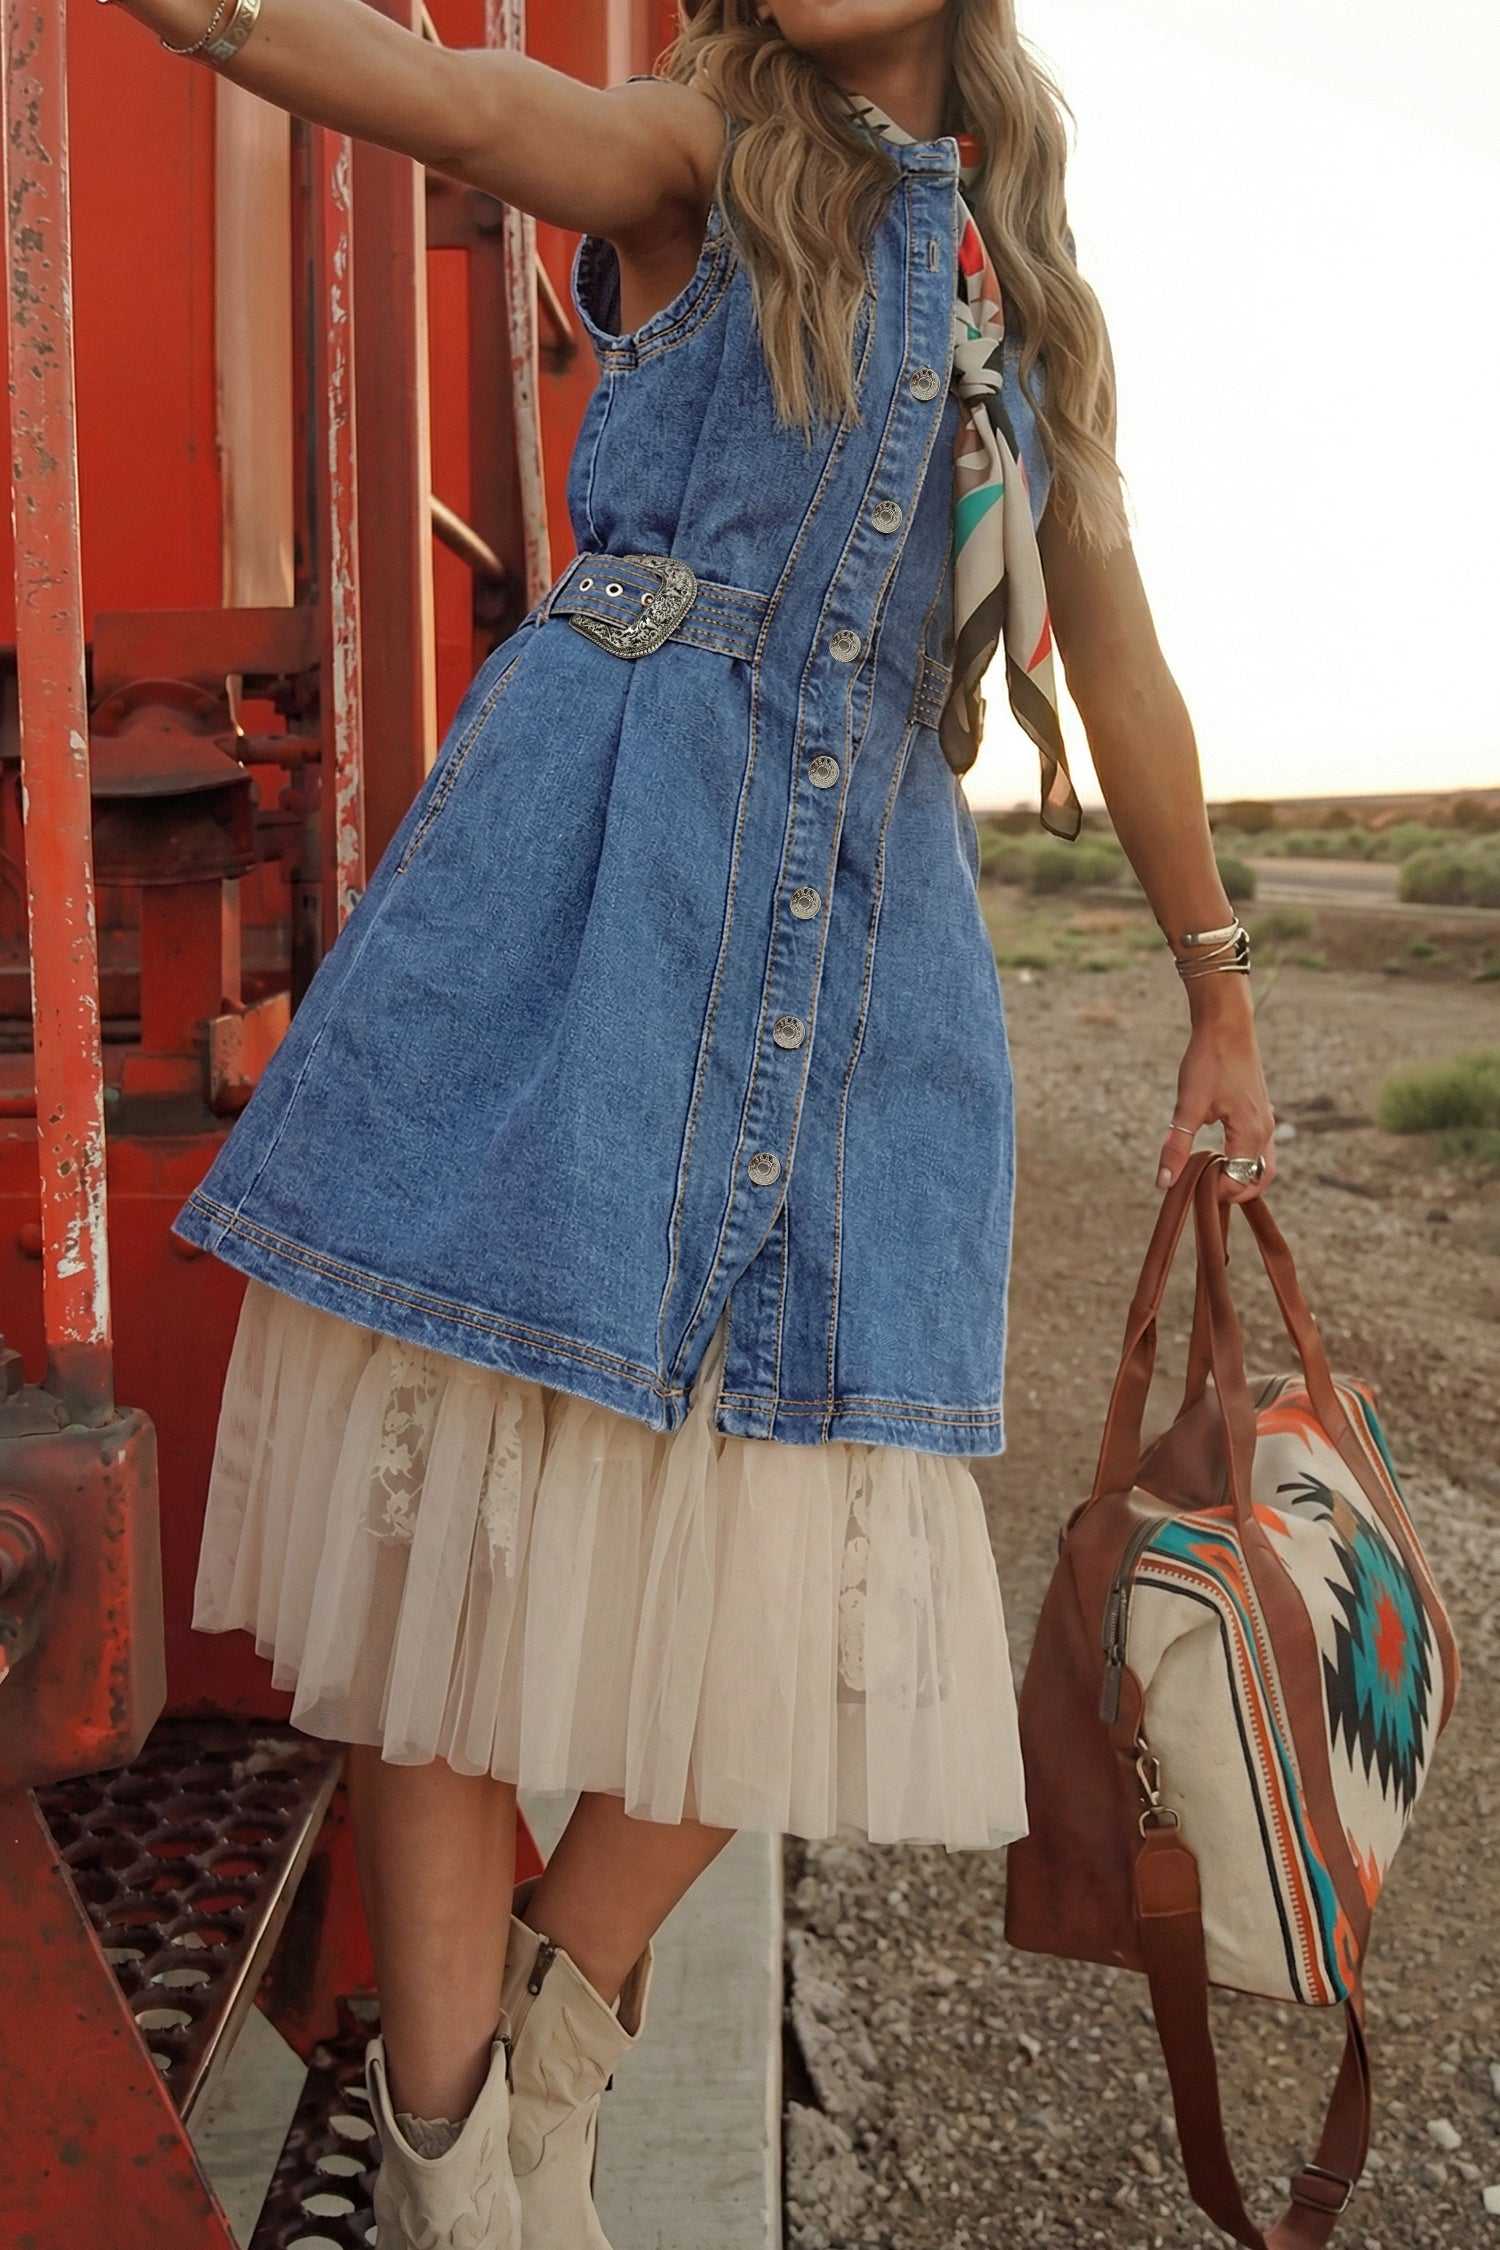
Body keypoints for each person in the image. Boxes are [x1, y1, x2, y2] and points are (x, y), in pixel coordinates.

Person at [108, 0, 1277, 2241]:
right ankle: (473, 2177)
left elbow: (1113, 655)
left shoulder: (1025, 293)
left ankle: (555, 2008)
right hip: (580, 908)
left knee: (816, 1582)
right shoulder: (694, 150)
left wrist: (1219, 987)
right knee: (437, 1551)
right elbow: (473, 101)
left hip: (855, 960)